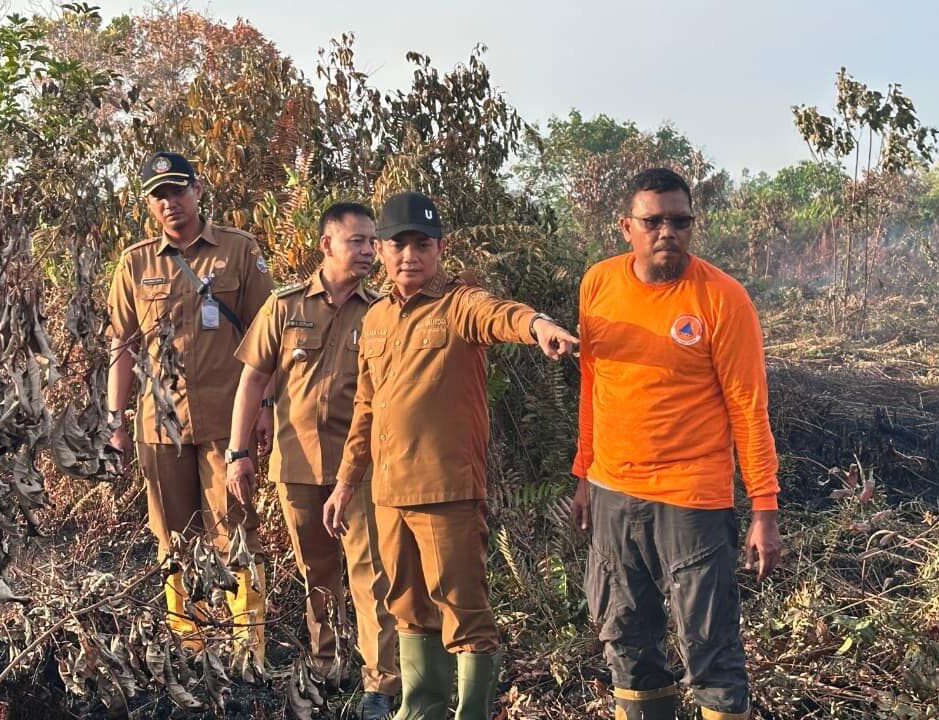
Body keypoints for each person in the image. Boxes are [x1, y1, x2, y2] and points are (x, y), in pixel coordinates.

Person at [322, 191, 579, 720]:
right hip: (388, 496)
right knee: (409, 611)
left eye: (422, 244)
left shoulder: (459, 304)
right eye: (398, 245)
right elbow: (366, 409)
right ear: (383, 250)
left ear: (440, 249)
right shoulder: (374, 320)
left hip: (446, 493)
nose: (409, 256)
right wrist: (347, 481)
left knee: (464, 615)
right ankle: (422, 710)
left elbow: (500, 315)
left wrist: (539, 327)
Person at [570, 167, 782, 720]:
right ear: (626, 227)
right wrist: (583, 472)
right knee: (627, 639)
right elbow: (594, 384)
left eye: (680, 221)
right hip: (613, 490)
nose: (668, 231)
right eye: (653, 220)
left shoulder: (723, 299)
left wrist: (764, 507)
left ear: (693, 224)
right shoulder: (598, 284)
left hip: (693, 497)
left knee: (709, 645)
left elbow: (749, 408)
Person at [227, 202, 400, 719]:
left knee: (371, 575)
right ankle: (328, 665)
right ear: (326, 244)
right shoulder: (284, 307)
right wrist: (238, 454)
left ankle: (379, 685)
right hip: (297, 466)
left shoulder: (382, 310)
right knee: (317, 574)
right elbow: (253, 380)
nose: (369, 251)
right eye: (358, 241)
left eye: (373, 241)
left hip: (363, 467)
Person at [106, 151, 274, 663]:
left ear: (198, 190)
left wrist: (266, 404)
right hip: (161, 427)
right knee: (173, 541)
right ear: (149, 204)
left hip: (229, 426)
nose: (170, 202)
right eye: (159, 195)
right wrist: (116, 421)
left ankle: (250, 649)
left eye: (178, 190)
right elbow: (122, 347)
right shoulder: (135, 262)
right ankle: (192, 649)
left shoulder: (238, 252)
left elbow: (267, 337)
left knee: (236, 535)